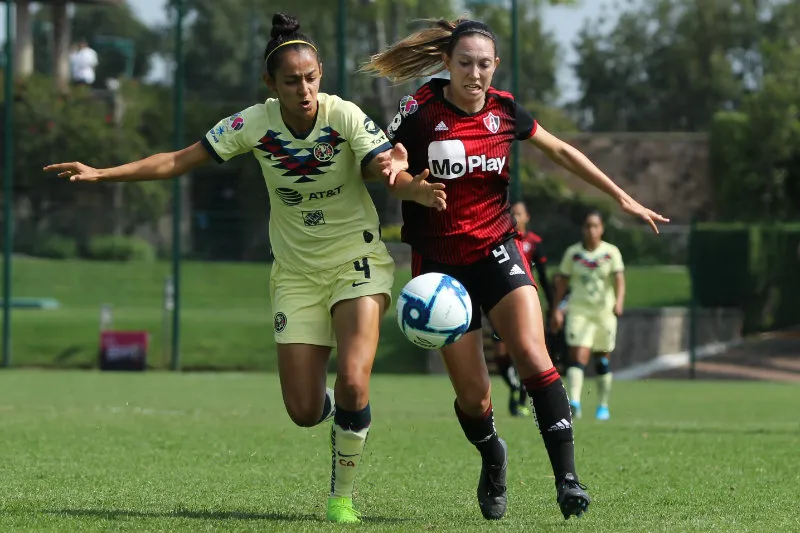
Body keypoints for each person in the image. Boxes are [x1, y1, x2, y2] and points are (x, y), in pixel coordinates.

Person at [44, 13, 443, 524]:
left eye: (312, 77)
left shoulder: (343, 116)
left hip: (355, 262)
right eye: (292, 80)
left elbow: (384, 167)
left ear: (321, 74)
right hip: (296, 275)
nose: (304, 89)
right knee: (302, 410)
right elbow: (176, 161)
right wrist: (103, 173)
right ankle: (343, 412)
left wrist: (408, 183)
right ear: (271, 85)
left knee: (353, 381)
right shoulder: (252, 124)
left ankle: (342, 495)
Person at [363, 18, 668, 521]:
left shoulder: (505, 111)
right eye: (465, 63)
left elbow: (562, 151)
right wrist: (406, 185)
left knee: (533, 353)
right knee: (474, 395)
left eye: (484, 64)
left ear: (496, 66)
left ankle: (568, 479)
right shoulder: (419, 110)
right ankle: (493, 456)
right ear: (448, 64)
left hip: (497, 251)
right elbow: (384, 168)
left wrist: (621, 197)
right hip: (440, 267)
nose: (474, 73)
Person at [551, 211, 625, 421]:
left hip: (603, 313)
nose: (591, 230)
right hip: (579, 311)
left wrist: (619, 302)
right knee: (577, 355)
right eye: (587, 226)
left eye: (595, 226)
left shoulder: (611, 253)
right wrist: (556, 309)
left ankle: (602, 405)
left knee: (602, 360)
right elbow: (562, 283)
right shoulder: (573, 253)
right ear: (583, 229)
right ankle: (574, 403)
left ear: (601, 229)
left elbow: (619, 279)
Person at [491, 202, 553, 417]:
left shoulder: (534, 243)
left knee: (524, 351)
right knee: (500, 355)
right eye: (512, 213)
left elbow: (544, 278)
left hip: (526, 305)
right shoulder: (499, 240)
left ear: (527, 217)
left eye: (519, 213)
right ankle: (515, 386)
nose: (515, 217)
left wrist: (553, 307)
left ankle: (520, 399)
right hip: (500, 302)